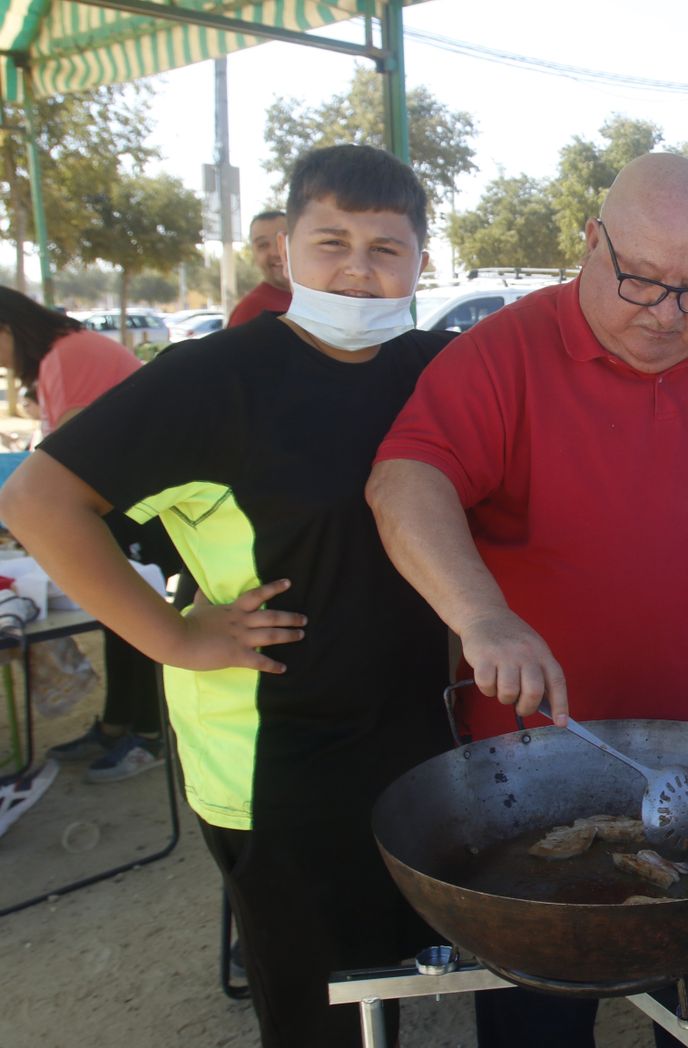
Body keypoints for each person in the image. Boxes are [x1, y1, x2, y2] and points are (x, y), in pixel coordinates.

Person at [366, 151, 688, 1048]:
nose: (671, 316)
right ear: (592, 243)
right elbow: (406, 482)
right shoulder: (506, 351)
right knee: (541, 1023)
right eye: (643, 281)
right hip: (543, 767)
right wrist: (481, 616)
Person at [0, 144, 454, 1048]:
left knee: (389, 979)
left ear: (421, 259)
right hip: (273, 751)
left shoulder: (437, 368)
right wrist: (174, 636)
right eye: (332, 242)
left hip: (413, 730)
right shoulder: (215, 377)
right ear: (286, 246)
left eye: (386, 248)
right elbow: (38, 501)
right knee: (315, 1005)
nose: (359, 271)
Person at [0, 285, 183, 782]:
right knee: (116, 618)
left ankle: (145, 734)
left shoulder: (70, 354)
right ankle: (115, 723)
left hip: (137, 507)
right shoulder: (66, 354)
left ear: (9, 329)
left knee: (132, 614)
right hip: (121, 504)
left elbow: (67, 451)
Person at [228, 209, 291, 326]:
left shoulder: (318, 300)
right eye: (263, 245)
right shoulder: (250, 312)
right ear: (253, 254)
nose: (276, 252)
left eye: (284, 241)